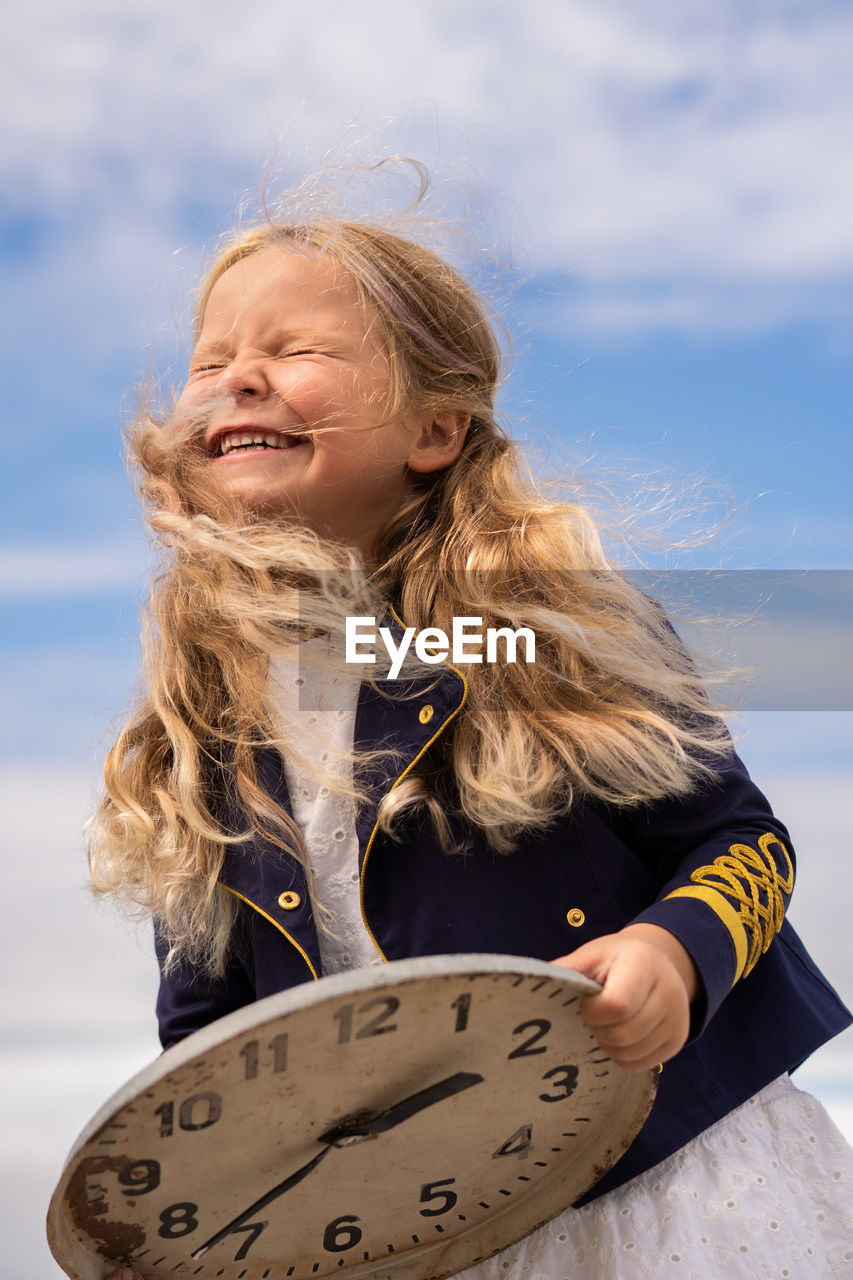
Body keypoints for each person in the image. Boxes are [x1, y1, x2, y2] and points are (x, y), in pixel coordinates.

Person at [92, 204, 853, 1279]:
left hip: (666, 1189)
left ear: (434, 430)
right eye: (210, 361)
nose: (238, 378)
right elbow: (210, 1038)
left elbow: (742, 843)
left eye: (294, 349)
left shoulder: (540, 630)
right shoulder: (199, 717)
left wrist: (670, 949)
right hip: (405, 1237)